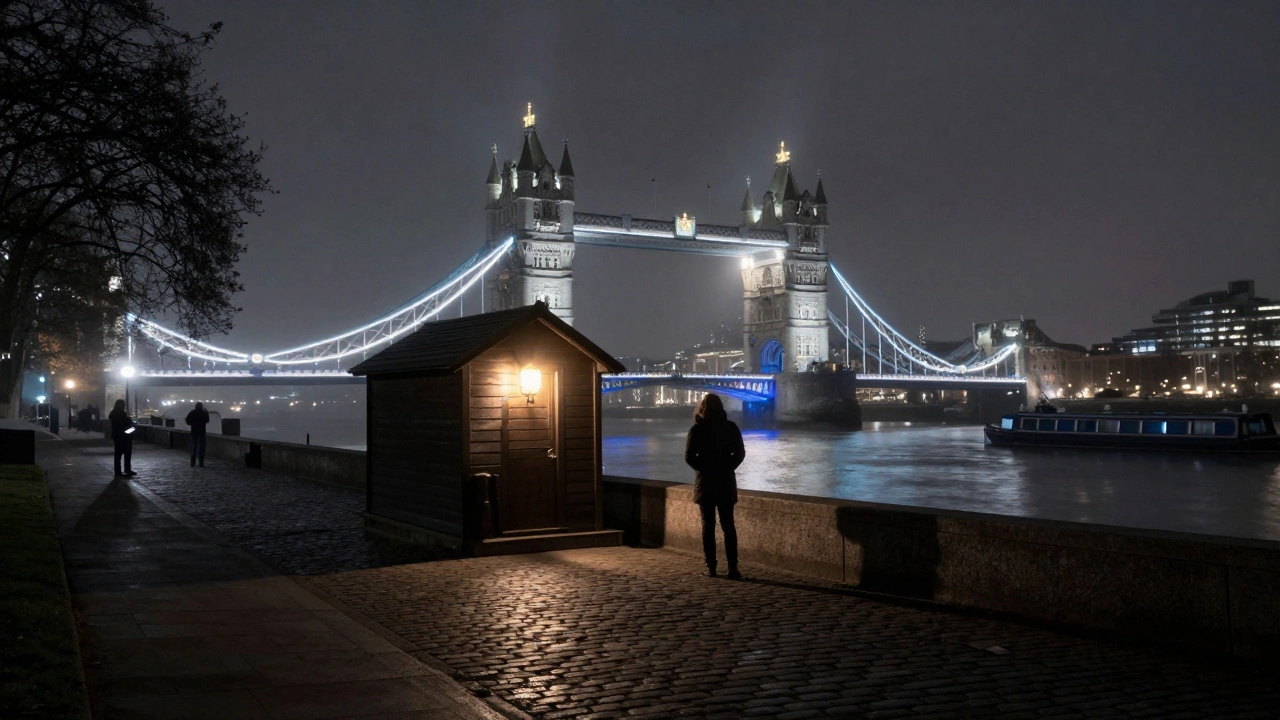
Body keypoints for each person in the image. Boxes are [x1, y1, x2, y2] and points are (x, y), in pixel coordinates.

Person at [684, 393, 746, 579]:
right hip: (725, 481)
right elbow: (741, 453)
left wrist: (702, 469)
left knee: (708, 526)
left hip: (706, 483)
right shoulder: (731, 428)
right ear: (721, 407)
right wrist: (728, 467)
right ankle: (733, 568)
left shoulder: (697, 430)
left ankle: (711, 567)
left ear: (702, 408)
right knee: (729, 526)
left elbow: (689, 457)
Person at [108, 399, 136, 477]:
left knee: (118, 454)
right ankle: (127, 469)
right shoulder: (121, 414)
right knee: (127, 453)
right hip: (124, 436)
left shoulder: (113, 413)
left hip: (117, 436)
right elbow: (127, 422)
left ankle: (118, 471)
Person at [185, 402, 210, 467]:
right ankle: (201, 463)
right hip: (202, 432)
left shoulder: (192, 412)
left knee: (194, 447)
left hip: (194, 431)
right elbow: (207, 420)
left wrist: (192, 424)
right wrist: (207, 412)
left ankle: (192, 462)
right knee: (202, 448)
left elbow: (187, 421)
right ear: (201, 406)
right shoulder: (203, 413)